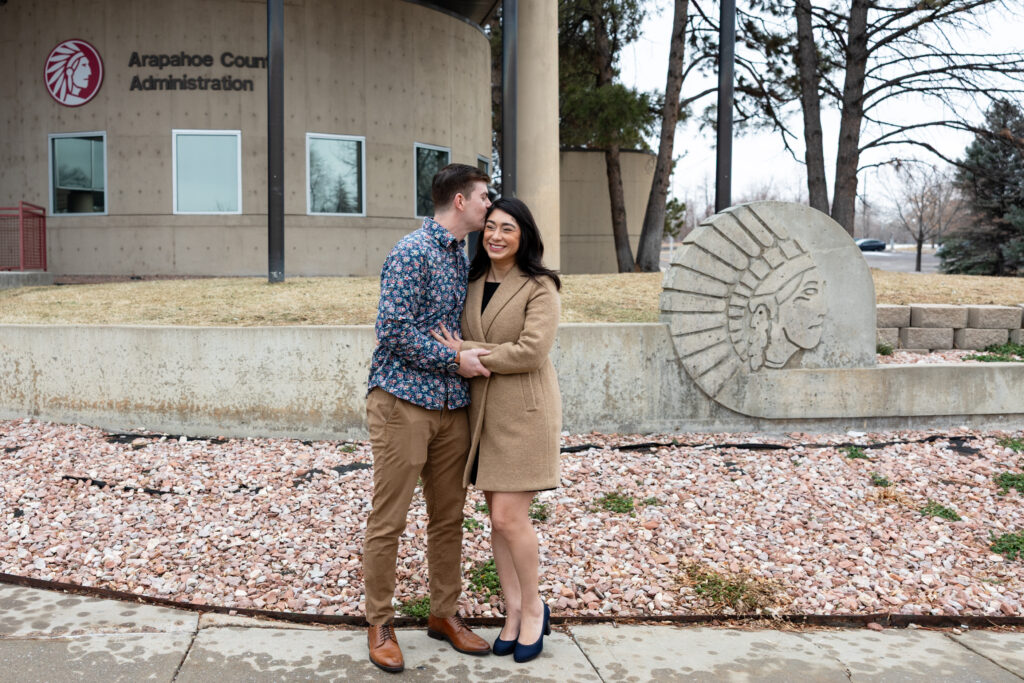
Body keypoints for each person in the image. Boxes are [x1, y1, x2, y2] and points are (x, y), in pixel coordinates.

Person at [363, 163, 494, 674]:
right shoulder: (411, 251)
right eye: (484, 196)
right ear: (460, 201)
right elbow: (392, 329)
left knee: (449, 518)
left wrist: (461, 358)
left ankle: (444, 614)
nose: (490, 205)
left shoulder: (462, 255)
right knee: (389, 519)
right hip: (402, 402)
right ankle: (380, 622)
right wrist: (453, 360)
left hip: (451, 408)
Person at [431, 197, 561, 664]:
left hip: (524, 414)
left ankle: (534, 607)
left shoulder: (540, 286)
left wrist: (466, 350)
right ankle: (513, 609)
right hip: (482, 415)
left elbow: (531, 351)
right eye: (490, 226)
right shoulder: (470, 281)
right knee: (496, 521)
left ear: (524, 235)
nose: (496, 236)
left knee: (509, 518)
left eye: (508, 228)